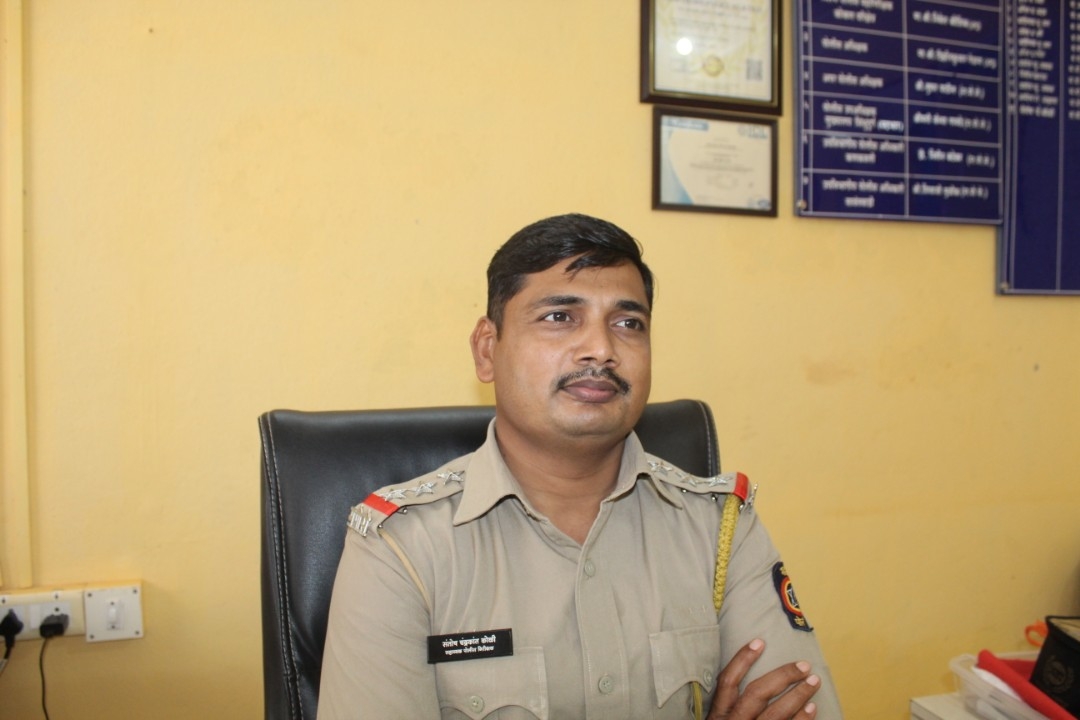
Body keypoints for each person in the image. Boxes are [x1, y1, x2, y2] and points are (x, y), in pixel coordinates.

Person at [318, 213, 844, 719]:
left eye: (628, 323)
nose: (601, 348)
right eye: (559, 317)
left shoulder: (721, 528)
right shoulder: (402, 546)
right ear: (487, 349)